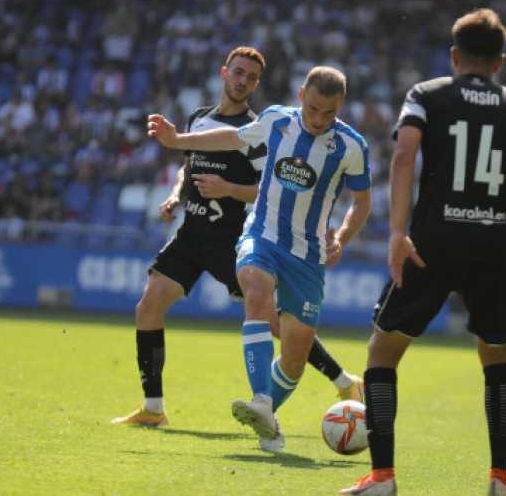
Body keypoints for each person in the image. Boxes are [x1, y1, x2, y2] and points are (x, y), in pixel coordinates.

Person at [340, 8, 506, 496]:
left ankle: (383, 478)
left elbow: (404, 156)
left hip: (430, 243)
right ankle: (501, 479)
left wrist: (396, 232)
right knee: (497, 357)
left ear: (454, 56)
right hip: (495, 246)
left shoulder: (426, 95)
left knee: (382, 353)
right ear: (499, 62)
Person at [113, 49, 365, 433]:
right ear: (224, 73)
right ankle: (153, 406)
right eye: (238, 72)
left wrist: (227, 189)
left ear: (257, 84)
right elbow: (190, 163)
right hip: (191, 234)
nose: (243, 80)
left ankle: (342, 380)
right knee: (148, 306)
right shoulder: (200, 119)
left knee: (281, 326)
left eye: (251, 76)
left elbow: (271, 187)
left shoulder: (266, 129)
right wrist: (176, 191)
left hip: (231, 240)